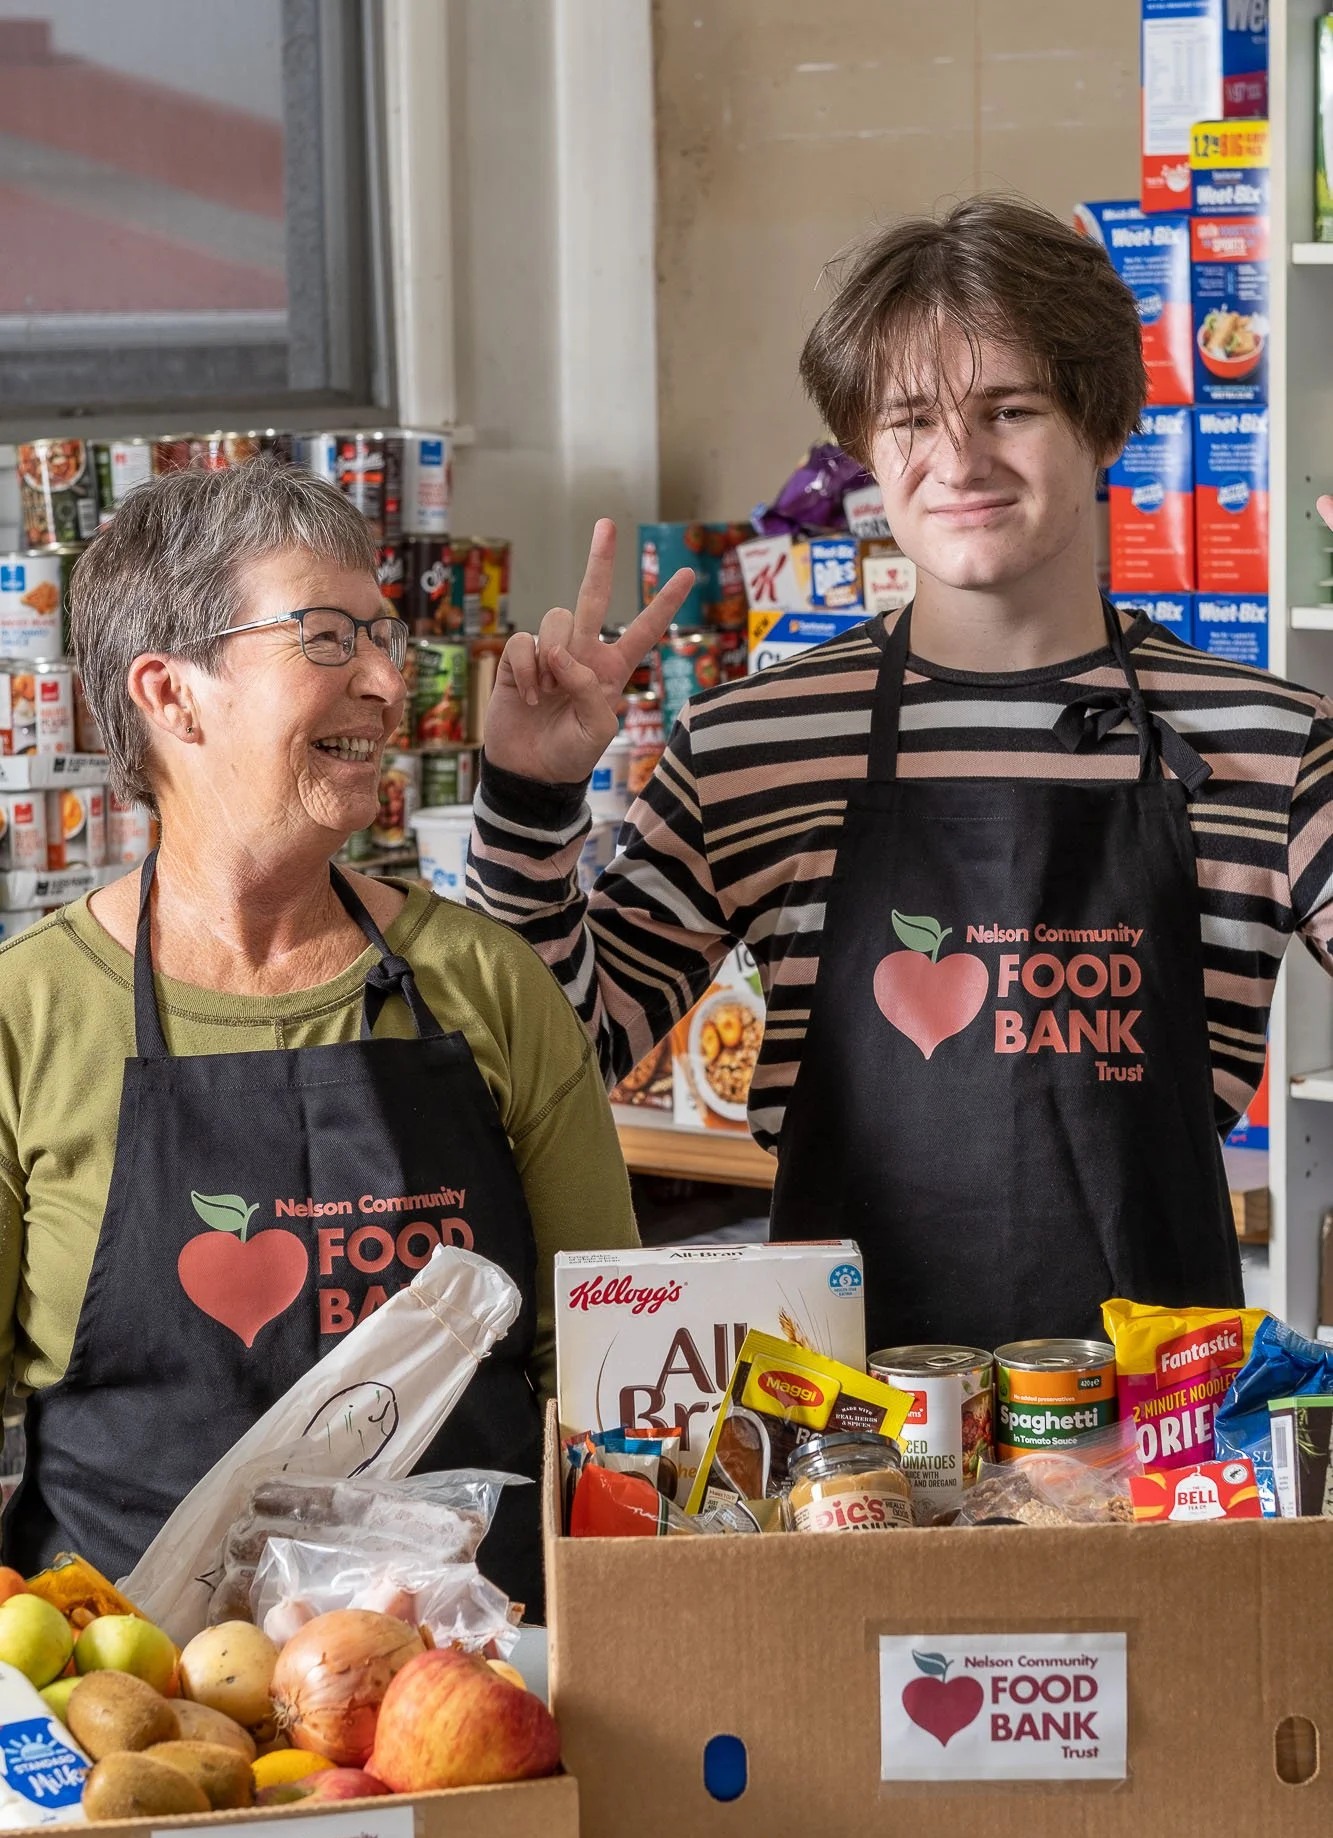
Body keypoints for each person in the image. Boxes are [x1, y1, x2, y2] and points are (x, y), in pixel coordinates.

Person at [470, 193, 1333, 1352]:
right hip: (841, 1437)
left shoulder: (1265, 739)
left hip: (1160, 1439)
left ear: (1103, 424)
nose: (957, 461)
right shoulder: (751, 745)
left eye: (1009, 408)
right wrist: (528, 801)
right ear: (863, 451)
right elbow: (560, 1057)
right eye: (910, 419)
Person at [0, 456, 635, 1612]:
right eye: (329, 635)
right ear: (172, 692)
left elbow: (610, 1375)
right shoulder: (27, 1018)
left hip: (469, 1674)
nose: (391, 680)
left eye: (384, 635)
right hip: (137, 1707)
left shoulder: (484, 984)